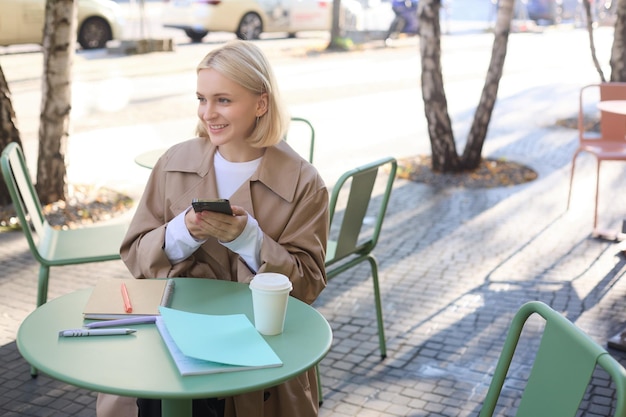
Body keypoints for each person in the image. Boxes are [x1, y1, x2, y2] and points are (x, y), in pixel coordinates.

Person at [96, 40, 328, 417]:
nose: (208, 113)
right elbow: (135, 256)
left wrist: (247, 238)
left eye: (223, 100)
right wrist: (183, 231)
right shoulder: (173, 162)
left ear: (261, 103)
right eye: (201, 98)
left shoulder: (304, 182)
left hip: (255, 359)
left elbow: (308, 286)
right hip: (167, 344)